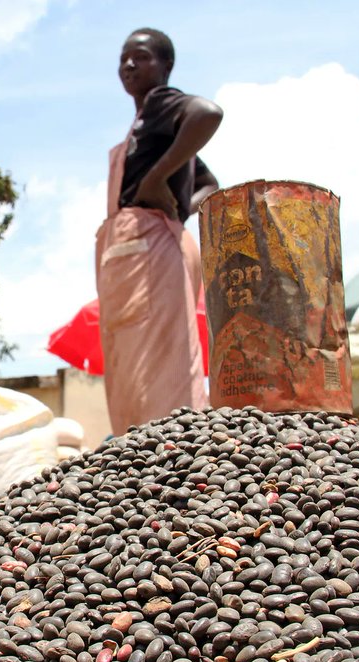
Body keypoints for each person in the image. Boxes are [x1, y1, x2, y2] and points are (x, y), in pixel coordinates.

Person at [96, 28, 222, 435]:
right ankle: (159, 459)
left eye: (142, 56)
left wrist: (154, 182)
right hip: (144, 249)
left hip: (147, 248)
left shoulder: (161, 104)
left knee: (154, 369)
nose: (129, 65)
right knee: (142, 367)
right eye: (123, 58)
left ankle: (170, 460)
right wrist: (180, 201)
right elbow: (208, 184)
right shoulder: (148, 127)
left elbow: (207, 113)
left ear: (166, 65)